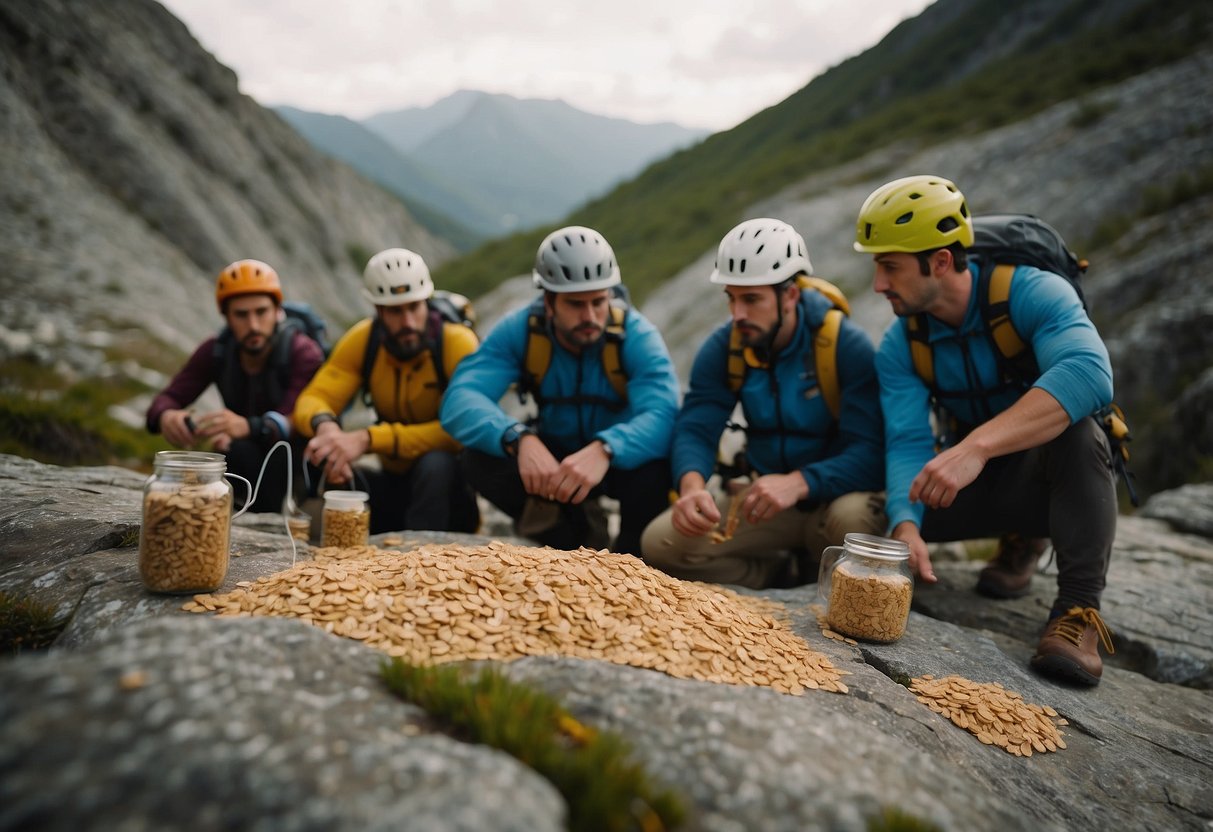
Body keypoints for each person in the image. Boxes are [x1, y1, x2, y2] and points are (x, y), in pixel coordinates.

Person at [854, 174, 1117, 685]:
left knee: (1081, 435)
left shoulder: (1032, 291)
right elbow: (907, 440)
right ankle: (1019, 535)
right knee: (873, 520)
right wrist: (906, 523)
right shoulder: (902, 344)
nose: (878, 284)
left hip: (1045, 477)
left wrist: (976, 446)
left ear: (943, 261)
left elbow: (1090, 372)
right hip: (977, 483)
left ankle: (1077, 612)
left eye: (890, 266)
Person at [640, 218, 886, 589]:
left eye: (752, 299)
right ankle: (775, 579)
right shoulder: (726, 347)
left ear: (790, 295)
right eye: (731, 298)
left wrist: (799, 482)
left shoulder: (843, 346)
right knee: (661, 545)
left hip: (832, 502)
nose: (737, 314)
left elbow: (871, 452)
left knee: (853, 523)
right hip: (762, 502)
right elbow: (697, 424)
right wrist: (691, 486)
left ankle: (822, 577)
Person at [440, 226, 680, 555]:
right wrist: (517, 438)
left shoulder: (636, 335)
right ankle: (571, 537)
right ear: (548, 302)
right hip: (555, 457)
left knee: (655, 470)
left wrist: (606, 448)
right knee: (478, 459)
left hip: (618, 460)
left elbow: (664, 414)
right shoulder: (521, 330)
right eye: (575, 304)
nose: (591, 316)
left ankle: (633, 561)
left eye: (599, 302)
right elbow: (460, 399)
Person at [293, 248, 480, 533]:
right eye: (395, 311)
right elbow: (314, 398)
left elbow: (463, 430)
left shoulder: (457, 343)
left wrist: (368, 439)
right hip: (394, 486)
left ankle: (425, 562)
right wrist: (326, 428)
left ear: (426, 302)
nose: (407, 322)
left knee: (436, 463)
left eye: (414, 307)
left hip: (448, 496)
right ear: (378, 311)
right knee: (327, 455)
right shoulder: (364, 340)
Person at [147, 259, 324, 512]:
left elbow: (294, 420)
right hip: (242, 456)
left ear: (277, 311)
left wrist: (246, 427)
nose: (253, 325)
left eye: (261, 312)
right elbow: (166, 400)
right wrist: (167, 416)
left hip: (294, 464)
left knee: (244, 451)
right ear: (226, 317)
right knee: (235, 451)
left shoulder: (303, 352)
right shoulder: (216, 351)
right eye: (241, 314)